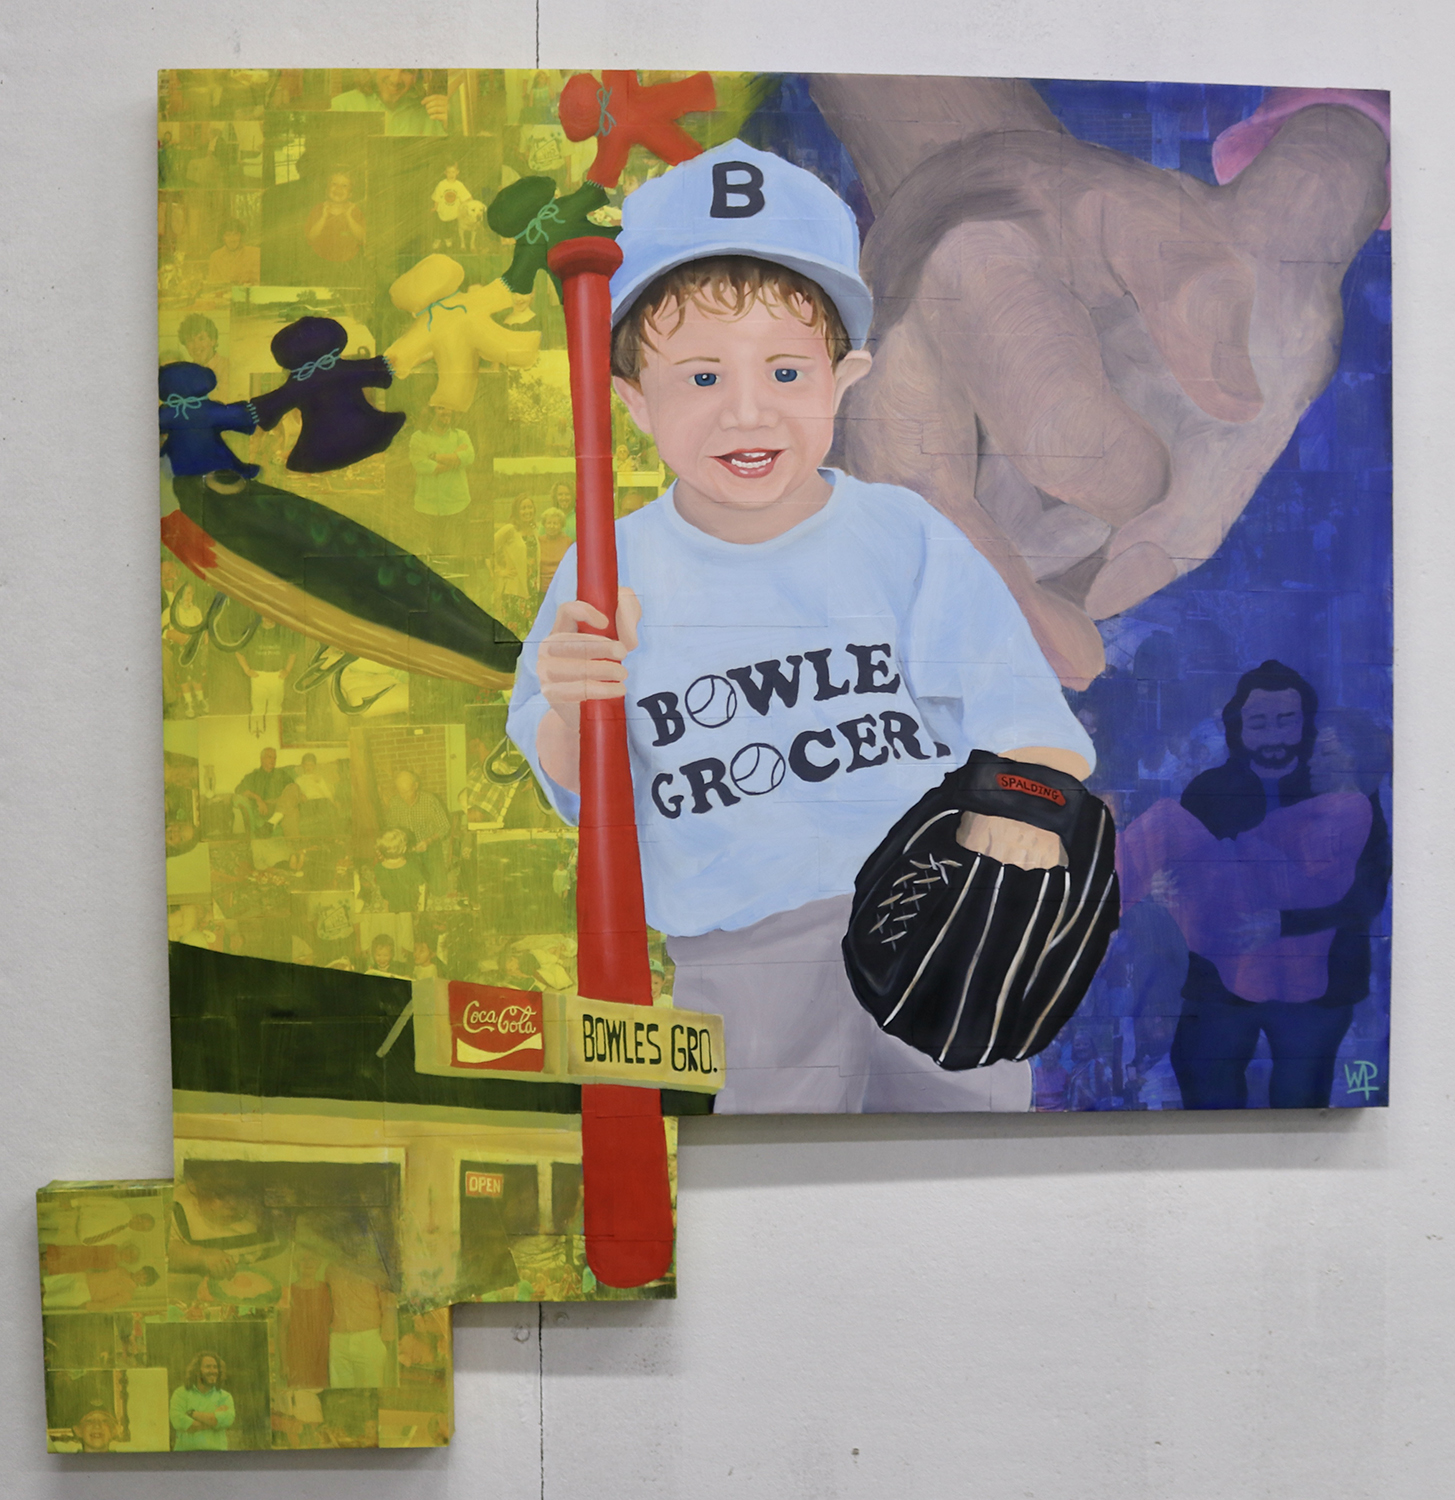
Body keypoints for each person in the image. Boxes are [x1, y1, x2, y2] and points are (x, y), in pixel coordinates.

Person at [507, 142, 1094, 1114]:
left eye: (786, 371)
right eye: (699, 378)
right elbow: (577, 784)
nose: (748, 411)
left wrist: (1024, 809)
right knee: (771, 1146)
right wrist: (574, 701)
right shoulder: (612, 568)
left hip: (933, 913)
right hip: (743, 946)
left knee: (971, 1133)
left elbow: (1013, 703)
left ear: (845, 376)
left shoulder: (901, 534)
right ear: (631, 402)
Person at [1121, 661, 1391, 1109]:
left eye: (1286, 721)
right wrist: (1160, 892)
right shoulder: (1209, 789)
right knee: (1204, 1091)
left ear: (1305, 725)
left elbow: (1367, 895)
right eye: (1258, 723)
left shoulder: (1340, 789)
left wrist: (1282, 923)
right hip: (1220, 981)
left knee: (1302, 1107)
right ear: (1238, 729)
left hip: (1315, 987)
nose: (1273, 737)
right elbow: (1181, 880)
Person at [325, 1262, 396, 1387]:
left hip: (368, 1337)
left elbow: (388, 1304)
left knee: (370, 1392)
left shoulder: (376, 1269)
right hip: (338, 1339)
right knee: (340, 1393)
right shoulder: (331, 1269)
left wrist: (386, 1341)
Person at [385, 770, 452, 899]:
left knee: (439, 890)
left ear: (416, 786)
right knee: (407, 891)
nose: (403, 796)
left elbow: (445, 826)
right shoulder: (395, 802)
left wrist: (428, 841)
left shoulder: (429, 800)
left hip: (430, 844)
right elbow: (391, 828)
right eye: (400, 791)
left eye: (407, 791)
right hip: (406, 848)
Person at [330, 69, 446, 135]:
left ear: (418, 76)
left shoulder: (431, 113)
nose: (395, 80)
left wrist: (453, 123)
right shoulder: (341, 106)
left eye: (407, 71)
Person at [409, 406, 475, 517]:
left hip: (458, 507)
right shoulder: (418, 437)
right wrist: (456, 460)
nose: (447, 411)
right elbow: (421, 466)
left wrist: (435, 457)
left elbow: (469, 458)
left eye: (449, 408)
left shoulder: (461, 436)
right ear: (430, 412)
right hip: (427, 509)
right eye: (441, 408)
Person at [238, 617, 298, 736]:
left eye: (271, 615)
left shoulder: (283, 631)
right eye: (265, 616)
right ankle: (256, 735)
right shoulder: (252, 631)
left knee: (275, 708)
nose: (269, 619)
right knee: (258, 708)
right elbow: (239, 651)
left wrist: (287, 670)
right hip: (258, 676)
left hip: (277, 676)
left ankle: (272, 735)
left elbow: (293, 652)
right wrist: (247, 669)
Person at [169, 1351, 235, 1451]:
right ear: (197, 1370)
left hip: (217, 1459)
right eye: (208, 1367)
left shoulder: (225, 1397)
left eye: (215, 1367)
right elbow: (178, 1422)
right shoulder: (180, 1394)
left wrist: (193, 1413)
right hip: (186, 1458)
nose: (213, 1371)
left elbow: (227, 1420)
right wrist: (213, 1422)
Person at [304, 172, 366, 264]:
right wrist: (323, 217)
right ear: (326, 190)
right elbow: (310, 237)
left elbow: (362, 238)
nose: (338, 188)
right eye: (334, 184)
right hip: (321, 260)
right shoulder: (318, 209)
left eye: (344, 185)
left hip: (349, 261)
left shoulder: (354, 211)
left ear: (350, 194)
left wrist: (349, 217)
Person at [233, 746, 294, 833]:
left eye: (274, 758)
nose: (272, 760)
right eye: (269, 757)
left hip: (281, 804)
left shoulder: (281, 774)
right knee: (292, 811)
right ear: (262, 759)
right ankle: (277, 820)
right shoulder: (254, 776)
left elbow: (293, 787)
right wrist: (258, 798)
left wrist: (300, 794)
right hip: (266, 808)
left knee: (293, 809)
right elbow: (239, 790)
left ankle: (273, 823)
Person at [205, 218, 260, 286]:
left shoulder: (254, 253)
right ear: (223, 237)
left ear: (241, 235)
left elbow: (261, 281)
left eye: (235, 234)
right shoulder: (215, 256)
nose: (232, 239)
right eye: (228, 235)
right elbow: (213, 284)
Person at [430, 162, 472, 249]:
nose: (451, 174)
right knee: (440, 226)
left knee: (450, 227)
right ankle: (437, 240)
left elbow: (467, 197)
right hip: (442, 210)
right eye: (448, 172)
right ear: (445, 173)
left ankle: (448, 238)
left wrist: (471, 203)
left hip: (453, 211)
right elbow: (436, 197)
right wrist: (435, 207)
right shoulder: (441, 184)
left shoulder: (459, 185)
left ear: (457, 172)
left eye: (453, 172)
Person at [537, 506, 571, 593]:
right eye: (549, 523)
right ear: (544, 524)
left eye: (555, 523)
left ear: (561, 525)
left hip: (563, 589)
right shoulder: (538, 542)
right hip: (541, 590)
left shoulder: (568, 542)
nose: (552, 526)